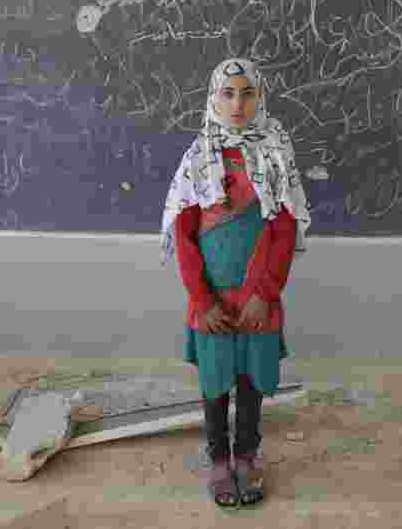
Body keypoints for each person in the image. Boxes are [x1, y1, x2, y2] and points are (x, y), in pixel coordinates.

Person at [160, 57, 312, 508]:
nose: (238, 104)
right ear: (214, 98)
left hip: (258, 304)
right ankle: (219, 461)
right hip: (213, 303)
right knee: (215, 382)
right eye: (228, 94)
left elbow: (284, 232)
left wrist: (266, 295)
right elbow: (185, 239)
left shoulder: (275, 154)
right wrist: (202, 301)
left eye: (248, 93)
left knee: (250, 382)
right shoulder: (198, 157)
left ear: (260, 97)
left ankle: (247, 456)